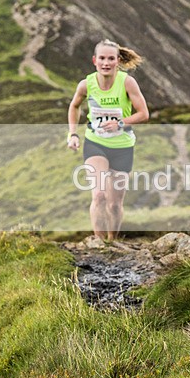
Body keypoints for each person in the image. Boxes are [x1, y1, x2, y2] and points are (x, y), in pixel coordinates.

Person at [67, 39, 149, 241]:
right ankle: (99, 244)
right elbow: (74, 106)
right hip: (96, 144)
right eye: (102, 58)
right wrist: (73, 133)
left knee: (114, 205)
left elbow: (144, 114)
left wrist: (120, 123)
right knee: (99, 195)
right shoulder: (86, 84)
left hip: (122, 147)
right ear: (94, 60)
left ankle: (112, 241)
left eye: (110, 59)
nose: (106, 63)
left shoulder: (127, 82)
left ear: (118, 61)